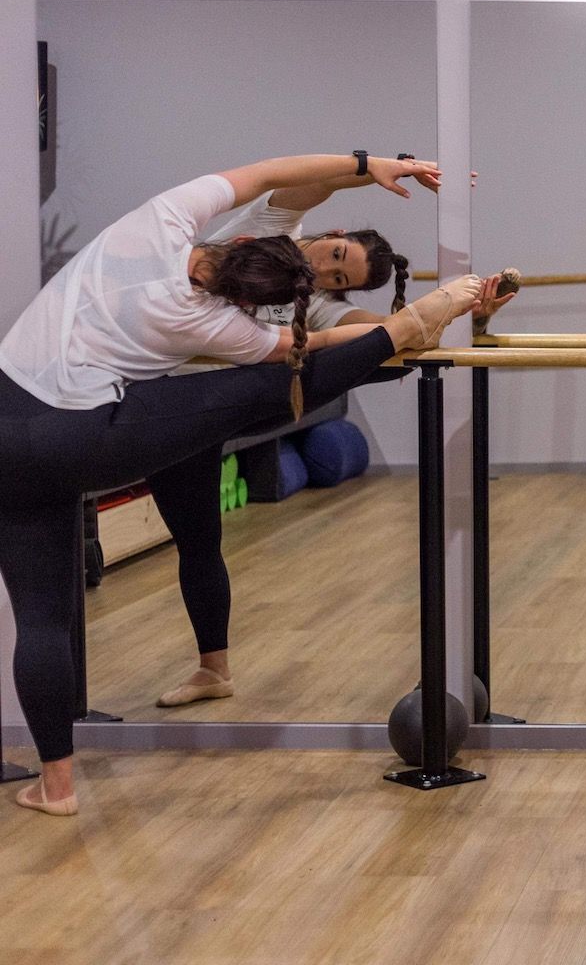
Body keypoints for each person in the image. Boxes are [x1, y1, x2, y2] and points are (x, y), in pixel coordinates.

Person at [0, 153, 483, 815]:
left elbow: (264, 172)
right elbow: (299, 366)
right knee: (266, 391)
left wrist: (367, 162)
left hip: (7, 427)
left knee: (41, 620)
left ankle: (54, 785)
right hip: (81, 438)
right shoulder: (221, 326)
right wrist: (409, 328)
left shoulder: (160, 220)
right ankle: (410, 322)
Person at [149, 178, 517, 710]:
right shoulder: (269, 230)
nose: (324, 270)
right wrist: (370, 166)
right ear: (333, 233)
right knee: (192, 538)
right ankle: (210, 671)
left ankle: (213, 669)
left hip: (207, 405)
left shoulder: (312, 305)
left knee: (378, 358)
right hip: (158, 393)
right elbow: (305, 183)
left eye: (339, 276)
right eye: (335, 254)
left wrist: (469, 318)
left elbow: (389, 334)